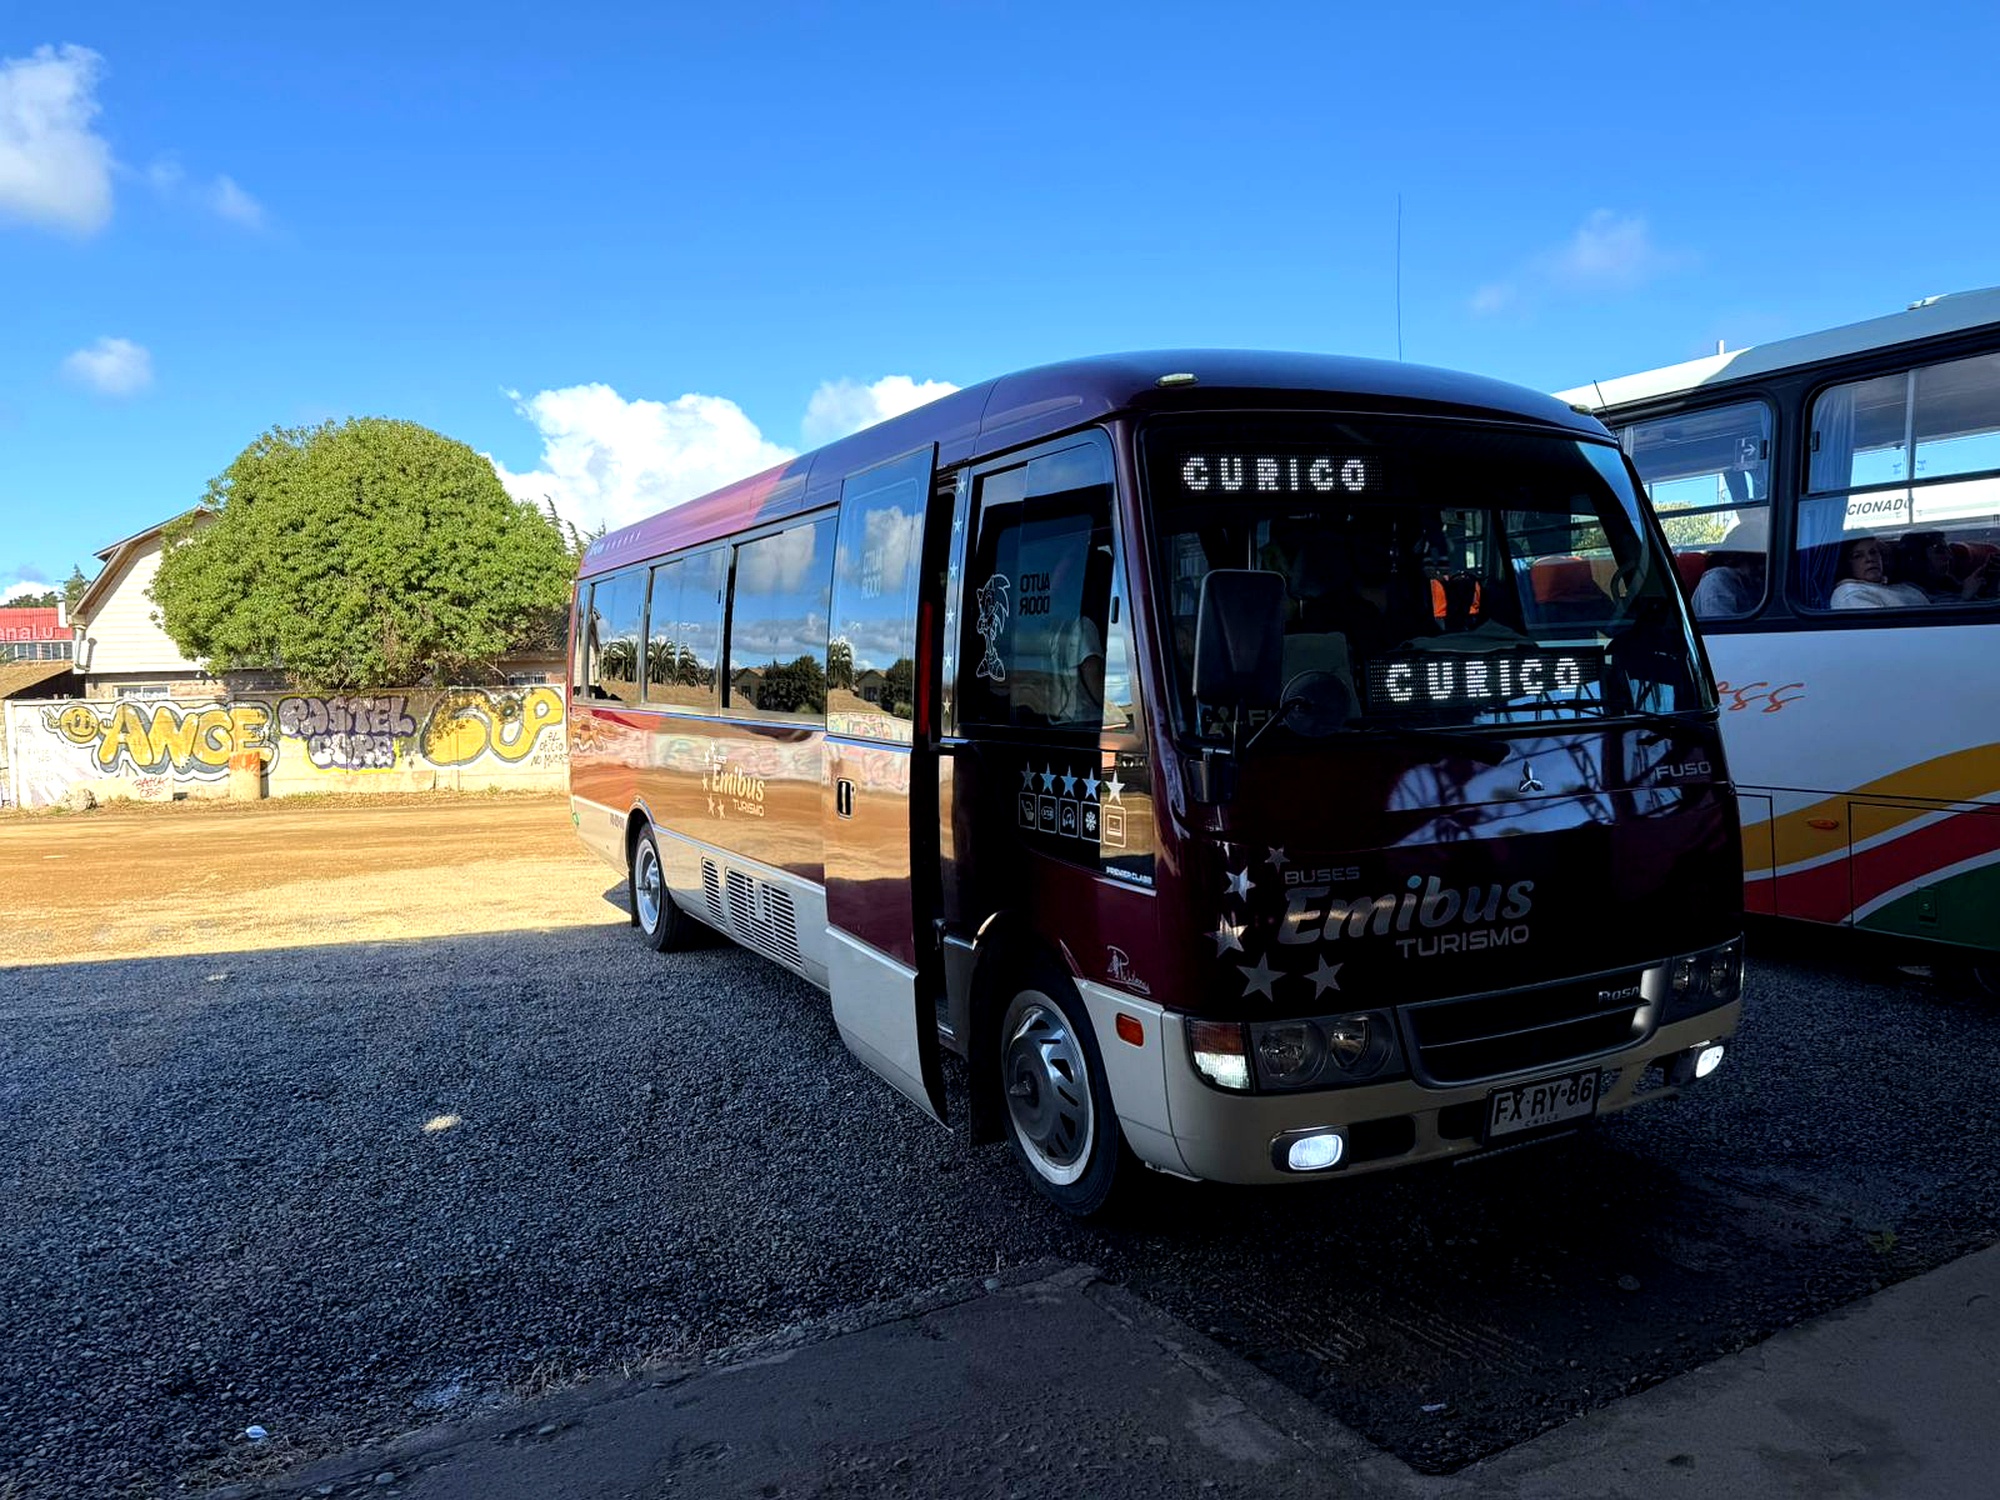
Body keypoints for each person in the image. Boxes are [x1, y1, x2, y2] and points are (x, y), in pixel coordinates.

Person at [1690, 520, 1768, 620]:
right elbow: (1721, 629)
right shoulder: (1716, 582)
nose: (1762, 568)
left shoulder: (1753, 583)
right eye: (1756, 562)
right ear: (1736, 558)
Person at [1830, 536, 1929, 609]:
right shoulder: (1851, 594)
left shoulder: (1903, 587)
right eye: (1858, 556)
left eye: (1873, 552)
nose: (1869, 559)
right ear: (1846, 564)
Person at [1895, 531, 1995, 603]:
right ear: (1918, 558)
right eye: (1940, 551)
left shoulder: (1945, 586)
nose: (1949, 557)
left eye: (1948, 550)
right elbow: (1934, 622)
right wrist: (1965, 597)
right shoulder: (1908, 595)